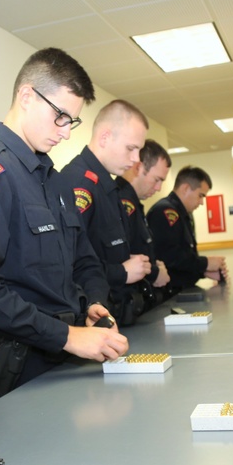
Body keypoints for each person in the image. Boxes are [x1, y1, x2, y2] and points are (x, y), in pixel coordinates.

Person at [0, 48, 128, 414]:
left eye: (72, 122)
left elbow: (84, 260)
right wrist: (67, 336)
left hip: (65, 354)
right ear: (27, 96)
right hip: (13, 364)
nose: (65, 133)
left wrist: (93, 302)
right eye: (60, 117)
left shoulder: (54, 180)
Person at [59, 100, 150, 325]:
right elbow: (71, 264)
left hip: (115, 311)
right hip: (90, 318)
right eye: (131, 148)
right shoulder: (80, 184)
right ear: (105, 138)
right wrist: (121, 271)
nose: (136, 159)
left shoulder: (106, 185)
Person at [146, 165, 228, 293]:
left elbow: (184, 260)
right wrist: (205, 263)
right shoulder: (165, 211)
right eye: (200, 195)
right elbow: (170, 256)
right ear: (185, 188)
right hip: (169, 292)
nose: (201, 202)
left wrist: (204, 271)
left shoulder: (184, 214)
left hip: (183, 290)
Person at [115, 139, 172, 309]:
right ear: (138, 168)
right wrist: (155, 272)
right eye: (156, 179)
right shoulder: (121, 201)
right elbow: (124, 257)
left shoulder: (133, 203)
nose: (159, 188)